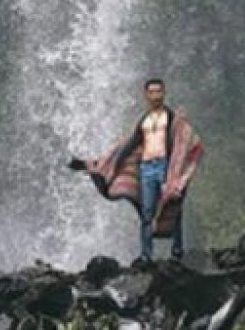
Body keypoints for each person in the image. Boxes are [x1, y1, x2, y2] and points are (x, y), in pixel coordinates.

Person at [68, 78, 203, 262]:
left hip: (164, 166)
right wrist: (109, 165)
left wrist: (183, 123)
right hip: (146, 168)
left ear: (164, 93)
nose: (155, 95)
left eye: (159, 91)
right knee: (147, 211)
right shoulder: (144, 121)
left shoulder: (171, 118)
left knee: (172, 205)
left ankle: (177, 251)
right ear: (146, 95)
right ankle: (146, 255)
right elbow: (129, 145)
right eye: (152, 92)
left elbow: (183, 140)